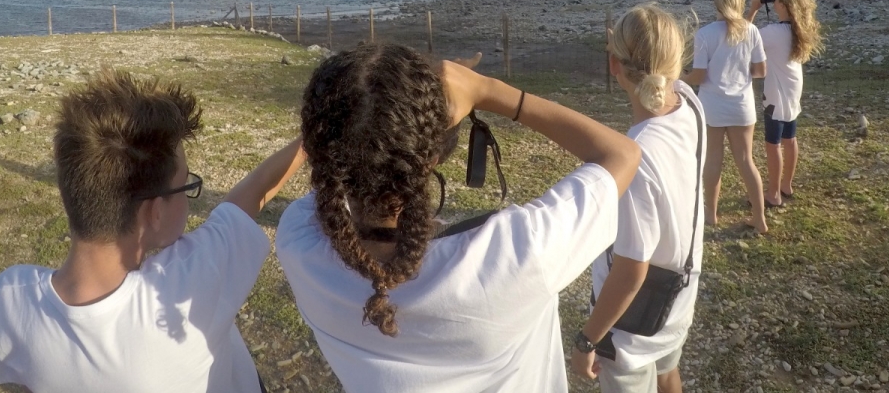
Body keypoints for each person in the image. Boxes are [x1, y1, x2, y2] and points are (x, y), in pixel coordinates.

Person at [274, 42, 642, 393]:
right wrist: (488, 91)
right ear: (432, 158)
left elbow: (337, 164)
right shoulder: (517, 254)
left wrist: (353, 117)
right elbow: (622, 154)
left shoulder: (299, 240)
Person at [0, 69, 306, 393]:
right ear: (154, 212)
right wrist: (312, 137)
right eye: (185, 186)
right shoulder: (190, 280)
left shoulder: (7, 297)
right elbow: (254, 193)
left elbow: (23, 381)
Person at [572, 4, 706, 393]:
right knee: (667, 374)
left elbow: (631, 271)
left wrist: (587, 340)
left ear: (615, 67)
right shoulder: (689, 101)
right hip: (679, 297)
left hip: (634, 325)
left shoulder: (636, 156)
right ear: (676, 62)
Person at [683, 0, 768, 234]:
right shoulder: (751, 31)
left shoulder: (705, 34)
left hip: (712, 106)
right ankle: (759, 217)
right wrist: (740, 72)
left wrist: (680, 78)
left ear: (717, 2)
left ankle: (711, 213)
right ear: (740, 2)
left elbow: (698, 76)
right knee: (746, 161)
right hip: (742, 105)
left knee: (713, 160)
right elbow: (761, 71)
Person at [747, 0, 824, 207]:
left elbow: (744, 36)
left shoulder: (772, 33)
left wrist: (753, 9)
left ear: (780, 4)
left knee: (773, 144)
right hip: (793, 88)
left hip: (776, 92)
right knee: (790, 139)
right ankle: (786, 185)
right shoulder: (800, 28)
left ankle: (773, 194)